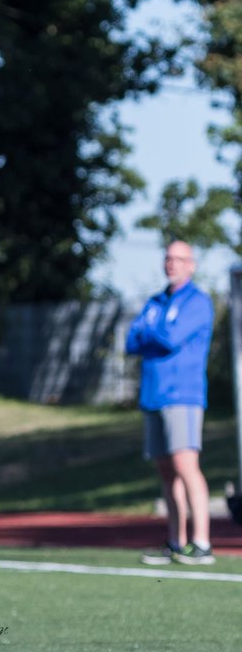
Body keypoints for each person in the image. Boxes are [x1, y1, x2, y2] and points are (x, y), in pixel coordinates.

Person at [125, 240, 215, 566]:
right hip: (154, 393)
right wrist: (153, 332)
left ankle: (201, 543)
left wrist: (152, 332)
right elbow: (131, 340)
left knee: (185, 465)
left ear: (191, 264)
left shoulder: (198, 302)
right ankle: (176, 541)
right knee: (165, 470)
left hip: (183, 394)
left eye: (179, 259)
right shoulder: (155, 301)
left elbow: (170, 338)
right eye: (167, 258)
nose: (171, 264)